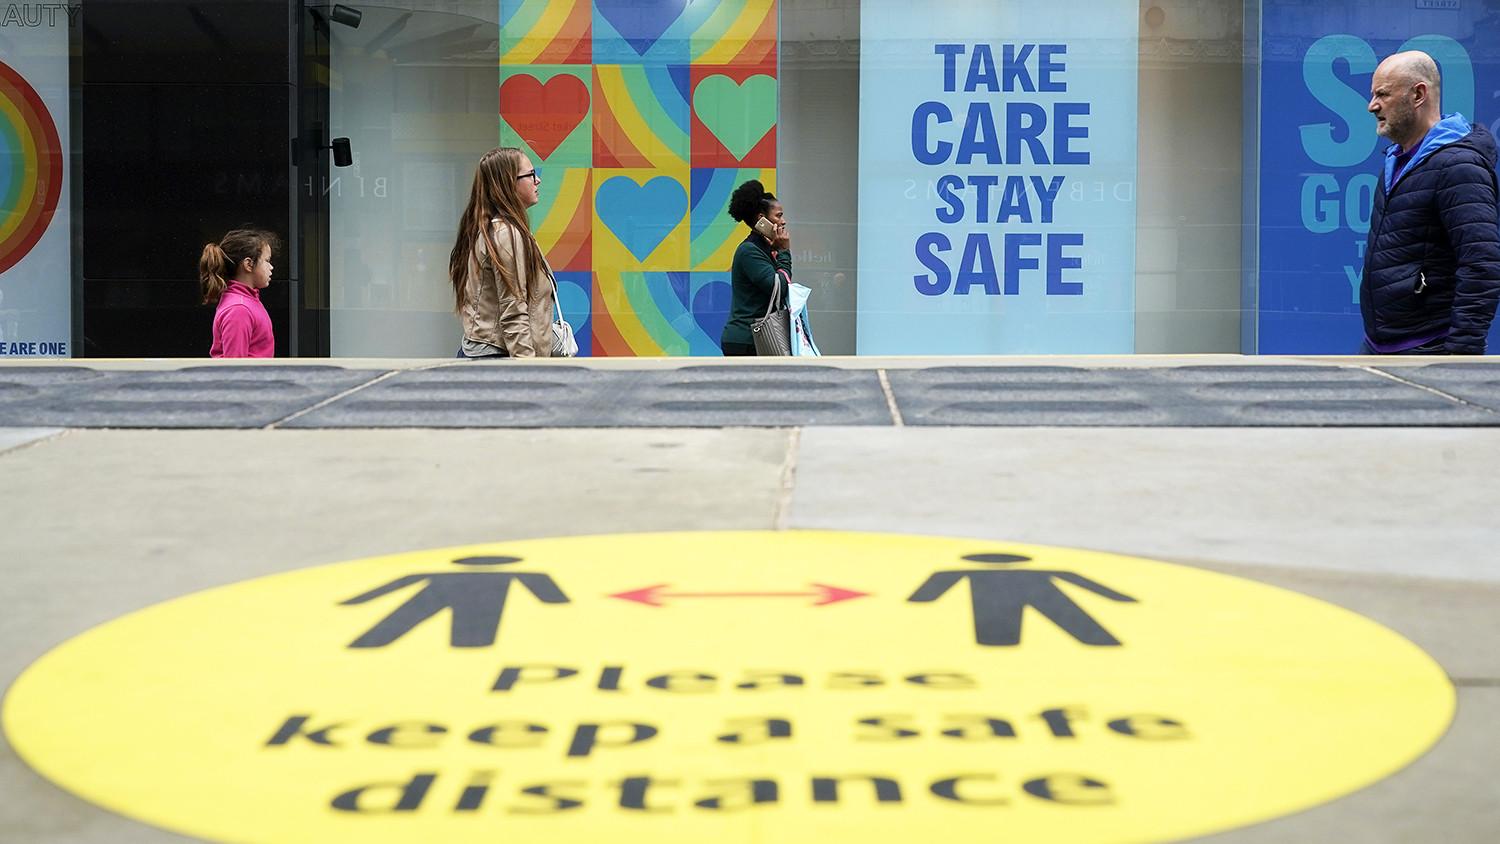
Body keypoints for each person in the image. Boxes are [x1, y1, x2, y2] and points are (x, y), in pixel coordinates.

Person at [1361, 50, 1500, 355]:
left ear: (1418, 94)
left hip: (1429, 349)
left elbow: (1482, 265)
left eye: (1382, 94)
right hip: (1382, 345)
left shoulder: (1459, 167)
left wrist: (1459, 356)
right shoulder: (1395, 161)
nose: (1372, 106)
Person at [448, 147, 557, 358]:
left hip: (490, 356)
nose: (538, 181)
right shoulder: (505, 233)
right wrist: (528, 372)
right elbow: (513, 311)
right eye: (531, 175)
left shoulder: (495, 229)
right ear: (508, 184)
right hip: (499, 358)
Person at [720, 179, 793, 356]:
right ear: (762, 219)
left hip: (757, 338)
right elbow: (779, 287)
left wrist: (777, 251)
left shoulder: (765, 248)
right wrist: (784, 252)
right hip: (746, 340)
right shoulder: (749, 251)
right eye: (778, 215)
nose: (783, 221)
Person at [199, 228, 278, 358]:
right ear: (248, 264)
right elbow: (235, 368)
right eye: (267, 261)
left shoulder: (246, 303)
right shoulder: (239, 309)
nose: (271, 267)